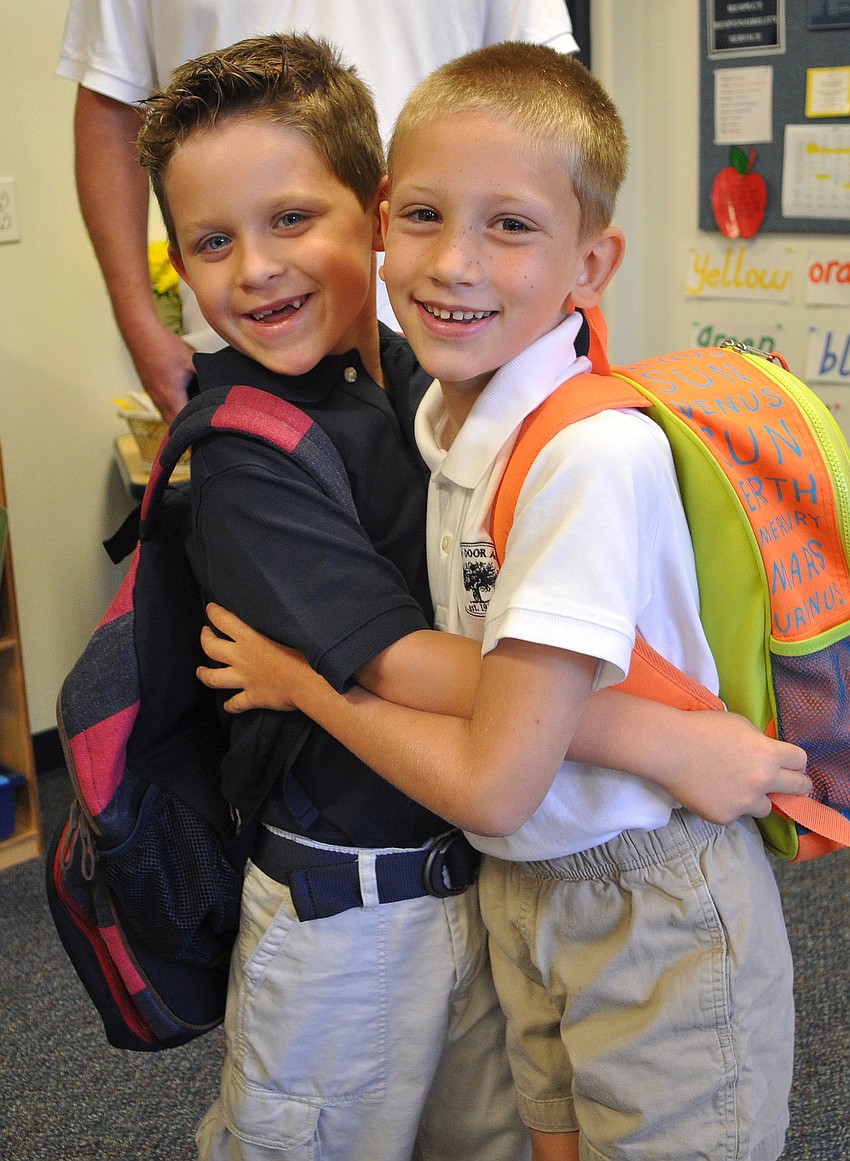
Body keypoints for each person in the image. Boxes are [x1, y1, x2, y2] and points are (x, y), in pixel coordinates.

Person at [196, 43, 811, 1161]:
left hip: (648, 896)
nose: (453, 263)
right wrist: (666, 737)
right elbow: (454, 662)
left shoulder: (584, 459)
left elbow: (490, 773)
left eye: (511, 226)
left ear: (592, 262)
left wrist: (304, 687)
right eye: (425, 215)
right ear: (385, 221)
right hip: (525, 884)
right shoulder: (443, 421)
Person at [57, 0, 579, 419]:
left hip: (460, 340)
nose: (258, 267)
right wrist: (142, 330)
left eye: (291, 219)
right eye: (215, 240)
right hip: (254, 365)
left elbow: (553, 126)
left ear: (380, 215)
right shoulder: (245, 468)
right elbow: (110, 107)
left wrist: (564, 332)